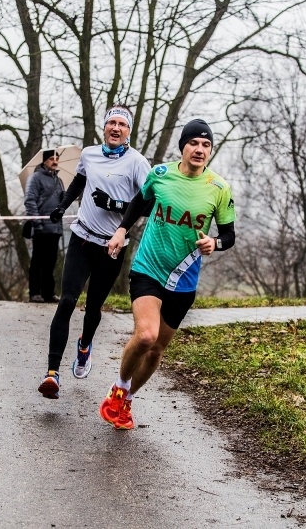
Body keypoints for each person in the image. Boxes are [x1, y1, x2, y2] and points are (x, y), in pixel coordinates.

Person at [99, 119, 236, 430]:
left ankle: (129, 399)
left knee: (157, 348)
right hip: (148, 267)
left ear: (210, 151)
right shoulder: (160, 175)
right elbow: (139, 202)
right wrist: (121, 230)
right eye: (194, 143)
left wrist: (215, 242)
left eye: (206, 145)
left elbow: (229, 235)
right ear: (183, 147)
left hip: (184, 279)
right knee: (146, 335)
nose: (200, 149)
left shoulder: (219, 188)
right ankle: (119, 387)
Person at [37, 105, 151, 399]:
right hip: (82, 238)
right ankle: (52, 374)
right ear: (104, 127)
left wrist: (113, 205)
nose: (115, 128)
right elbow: (80, 180)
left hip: (112, 247)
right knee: (67, 301)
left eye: (121, 124)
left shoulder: (137, 163)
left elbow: (148, 204)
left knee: (93, 308)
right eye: (111, 123)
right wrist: (62, 205)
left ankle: (85, 345)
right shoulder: (89, 154)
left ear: (129, 131)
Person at [24, 149, 64, 303]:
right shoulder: (35, 178)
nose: (55, 161)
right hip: (40, 227)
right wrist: (37, 222)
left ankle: (48, 293)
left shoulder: (58, 181)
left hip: (55, 228)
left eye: (57, 158)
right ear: (44, 161)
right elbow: (30, 200)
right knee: (37, 262)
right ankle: (34, 292)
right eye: (51, 158)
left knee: (51, 262)